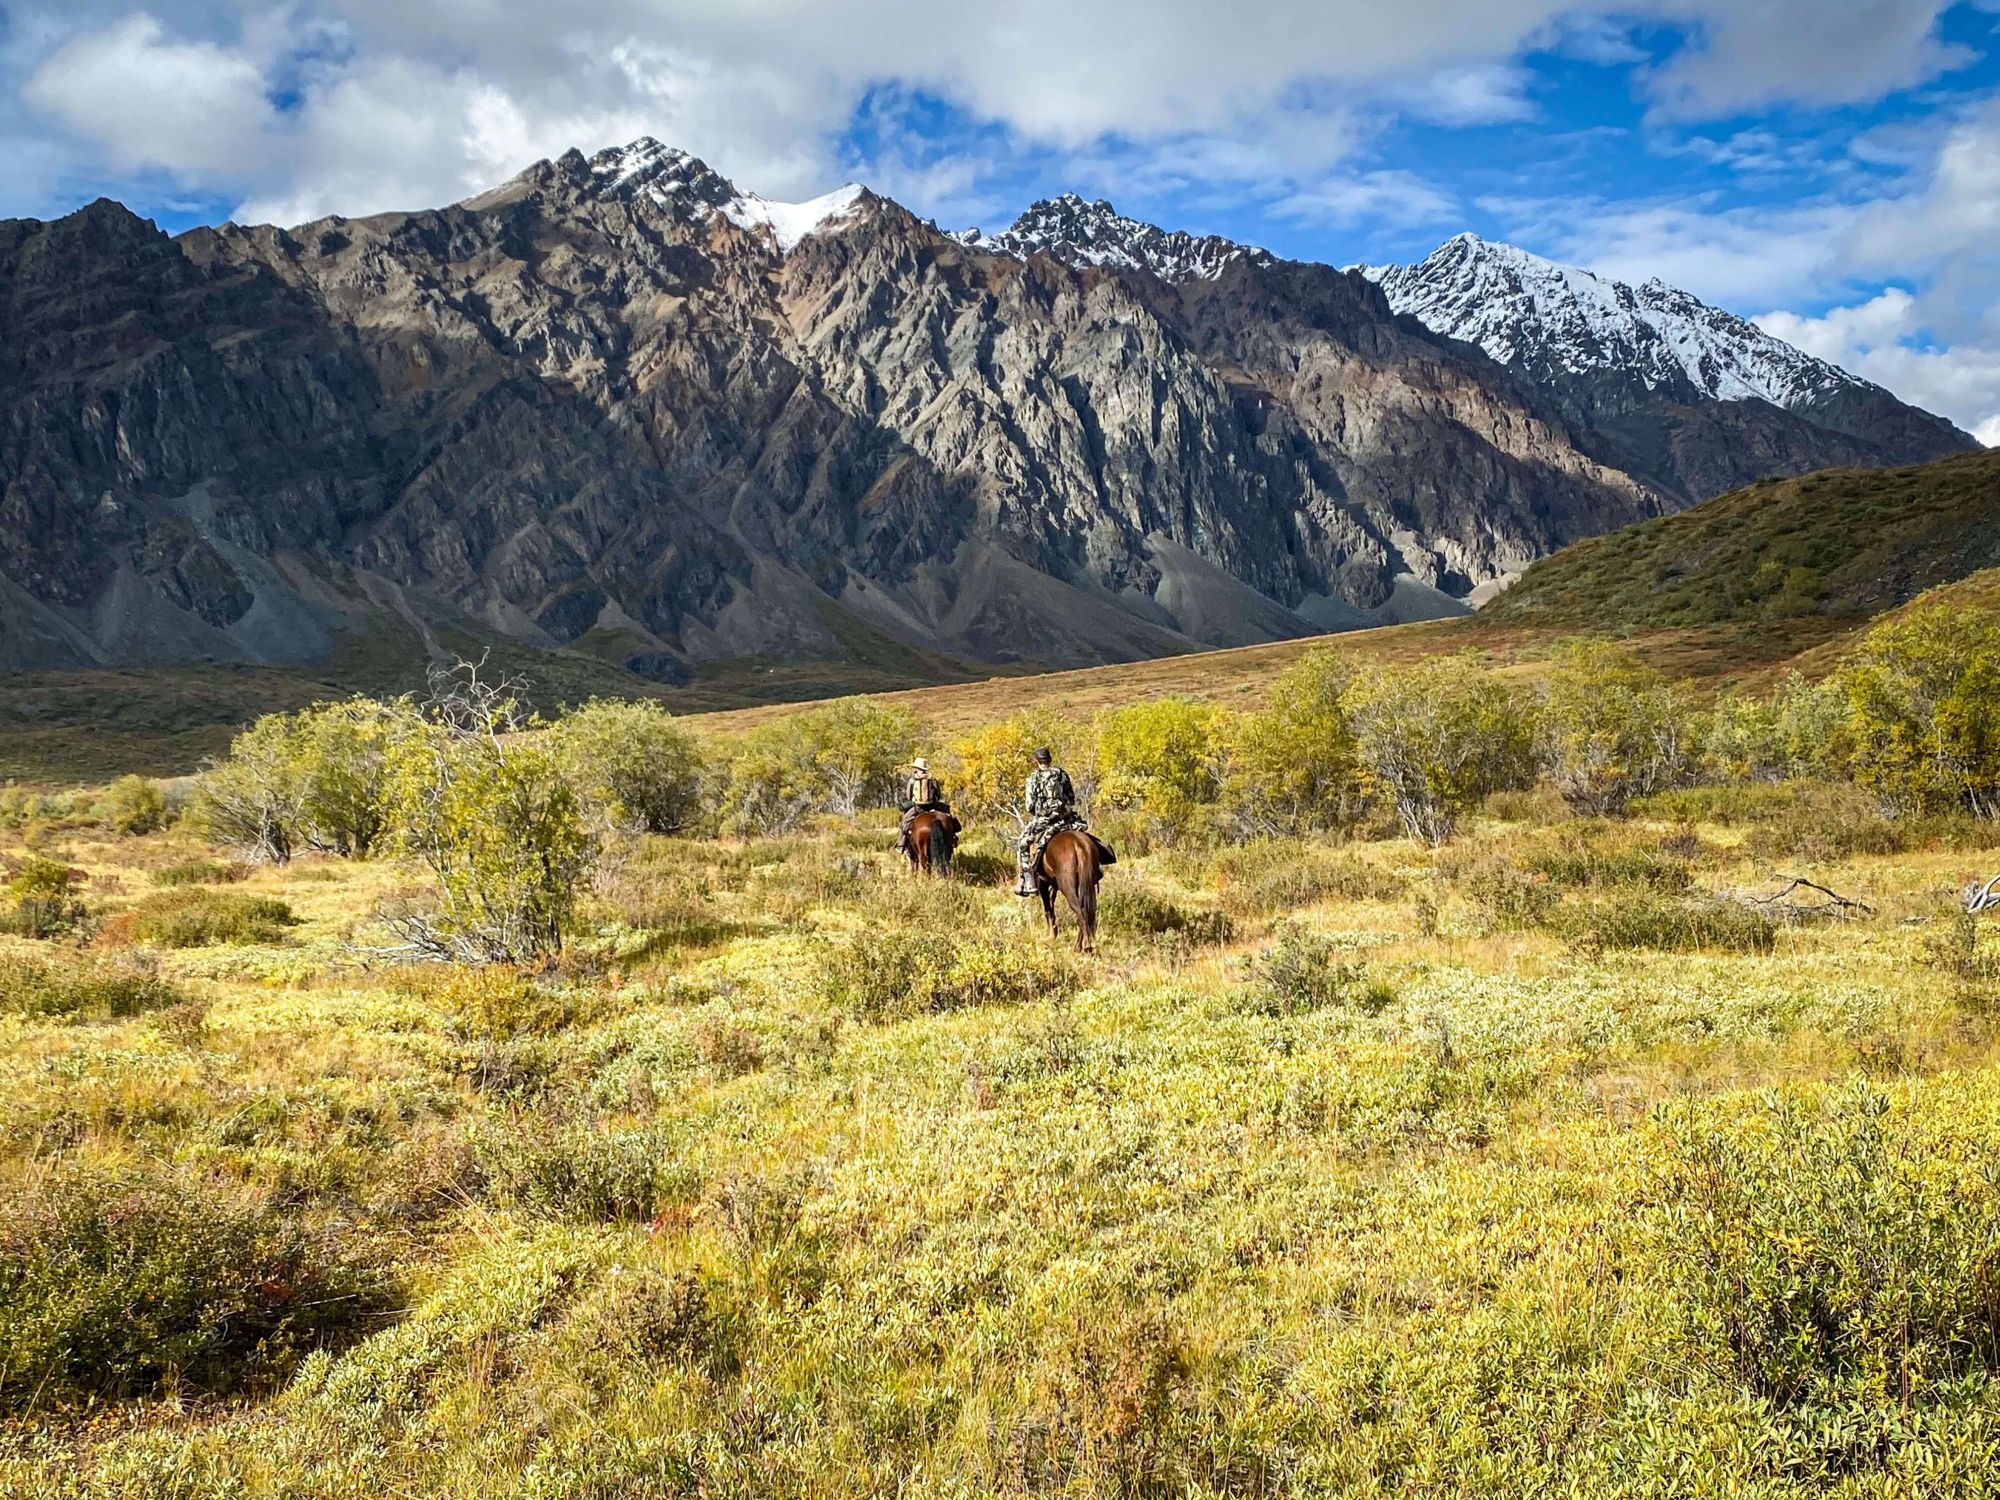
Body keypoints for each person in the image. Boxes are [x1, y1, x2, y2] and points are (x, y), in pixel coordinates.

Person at [1017, 747, 1084, 896]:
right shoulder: (1061, 774)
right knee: (1084, 833)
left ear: (1037, 762)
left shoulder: (1033, 778)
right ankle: (1098, 866)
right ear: (1050, 760)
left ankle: (1028, 881)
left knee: (1022, 844)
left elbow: (1030, 806)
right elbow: (1071, 797)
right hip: (1065, 818)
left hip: (1045, 820)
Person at [897, 757, 949, 851]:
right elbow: (938, 795)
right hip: (933, 806)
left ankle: (901, 845)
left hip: (918, 808)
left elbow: (909, 796)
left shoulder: (912, 780)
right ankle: (953, 837)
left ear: (917, 768)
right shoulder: (933, 780)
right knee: (949, 816)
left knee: (904, 822)